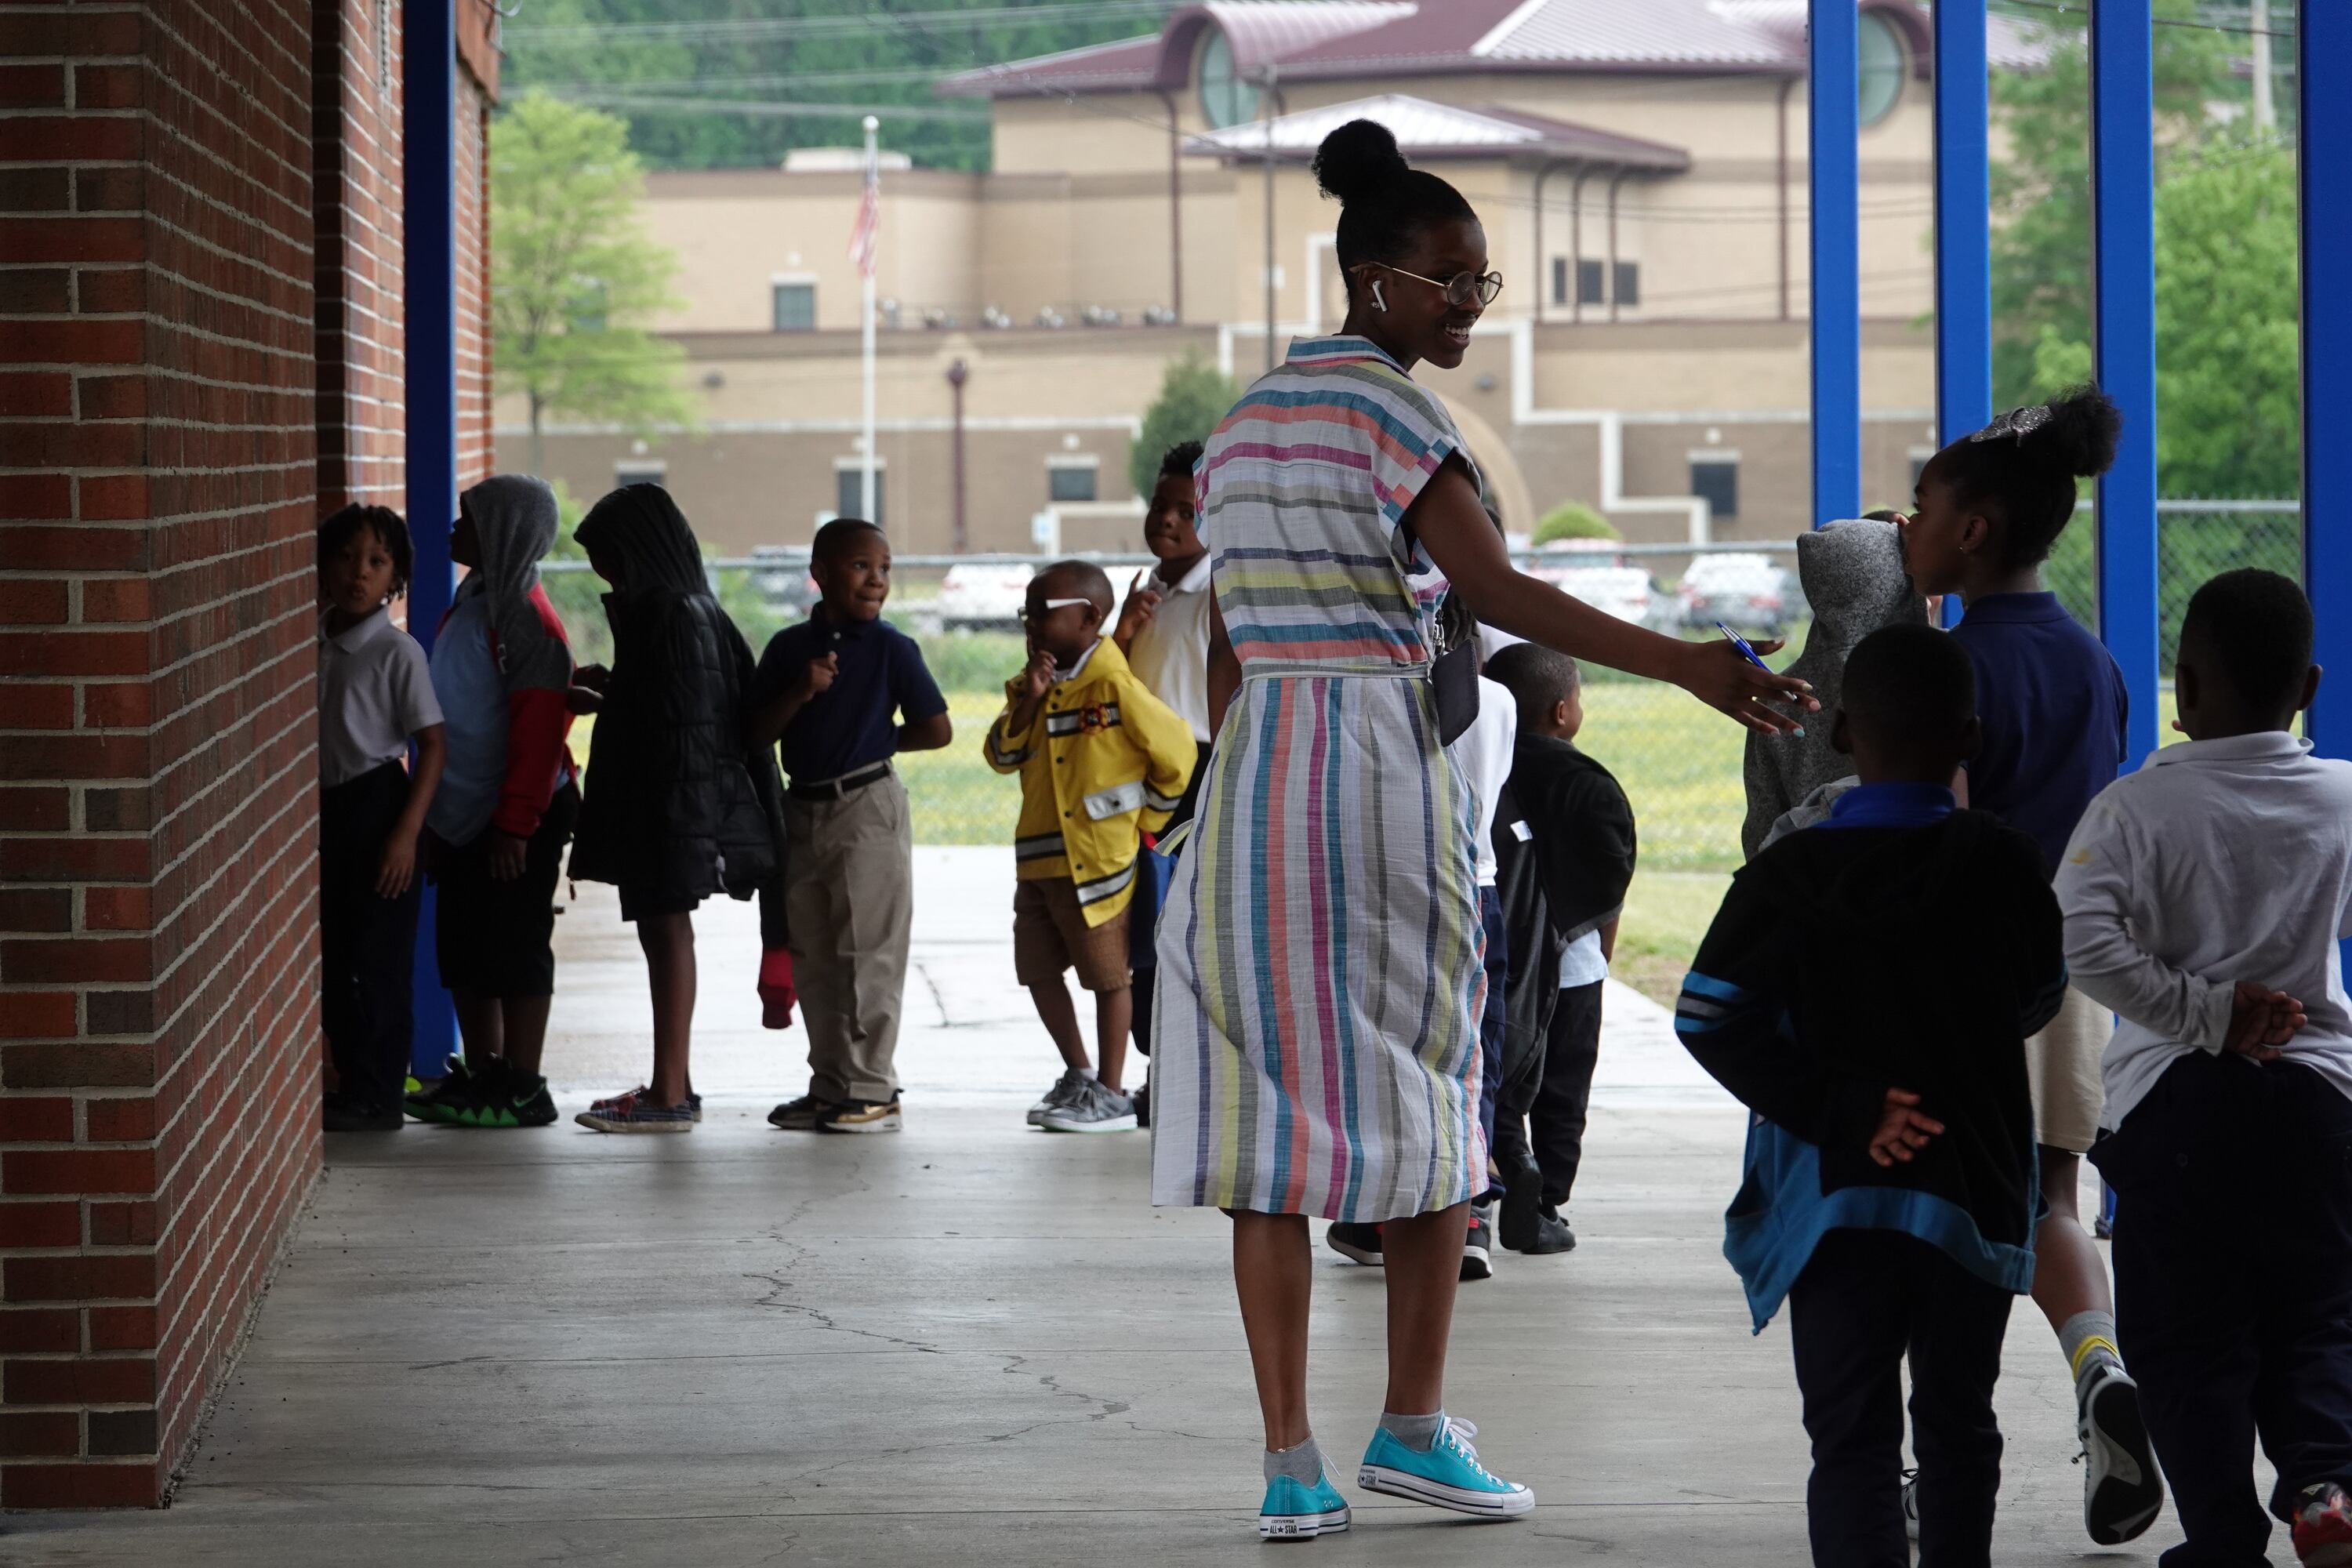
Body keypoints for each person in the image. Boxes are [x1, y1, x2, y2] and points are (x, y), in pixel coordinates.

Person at [1146, 118, 1812, 1541]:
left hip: (1256, 768)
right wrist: (1688, 660)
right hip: (1377, 766)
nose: (1468, 307)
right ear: (1377, 277)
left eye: (1480, 284)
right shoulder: (1397, 414)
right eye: (1451, 282)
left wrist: (1221, 771)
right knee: (1439, 1087)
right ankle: (1413, 1427)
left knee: (1267, 1120)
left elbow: (1231, 639)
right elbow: (1495, 594)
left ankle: (1289, 1465)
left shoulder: (1249, 419)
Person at [1675, 623, 2064, 1568]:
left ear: (1844, 731)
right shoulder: (2007, 865)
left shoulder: (1784, 877)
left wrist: (1847, 1107)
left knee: (1850, 1439)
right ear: (1970, 739)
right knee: (1960, 1426)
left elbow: (1707, 1014)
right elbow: (2037, 997)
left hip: (1832, 1202)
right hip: (1970, 1186)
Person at [1898, 387, 2162, 1544]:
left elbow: (1938, 841)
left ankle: (1940, 1466)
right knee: (2052, 1199)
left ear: (1970, 533)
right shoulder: (2099, 667)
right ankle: (2099, 1366)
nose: (1904, 530)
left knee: (1940, 1220)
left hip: (1962, 985)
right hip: (2067, 982)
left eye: (1919, 510)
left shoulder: (1942, 668)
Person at [2059, 569, 2352, 1568]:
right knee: (2320, 1312)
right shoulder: (2342, 796)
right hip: (2321, 1105)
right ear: (2307, 683)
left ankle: (2224, 1536)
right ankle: (2324, 1483)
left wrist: (2207, 1014)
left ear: (2182, 682)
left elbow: (2083, 941)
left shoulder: (2136, 807)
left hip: (2175, 1114)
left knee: (2189, 1340)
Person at [564, 484, 786, 1134]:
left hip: (670, 808)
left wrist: (676, 829)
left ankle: (667, 1095)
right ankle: (673, 1084)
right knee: (663, 935)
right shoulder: (681, 609)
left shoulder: (672, 613)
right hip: (669, 805)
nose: (601, 570)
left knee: (666, 935)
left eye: (605, 554)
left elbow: (686, 725)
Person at [1324, 616, 1514, 1282]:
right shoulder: (1499, 701)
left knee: (1385, 1044)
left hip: (1388, 886)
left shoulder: (1377, 698)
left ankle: (1380, 1207)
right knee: (1467, 1054)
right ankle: (1465, 1212)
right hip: (1476, 885)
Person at [748, 517, 952, 1135]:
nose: (877, 580)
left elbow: (937, 728)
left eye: (885, 568)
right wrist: (801, 693)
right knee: (815, 954)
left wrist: (874, 738)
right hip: (801, 807)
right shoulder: (789, 649)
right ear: (821, 572)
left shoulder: (892, 649)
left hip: (866, 806)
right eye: (862, 566)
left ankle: (871, 1086)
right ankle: (831, 1084)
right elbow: (753, 734)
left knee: (869, 953)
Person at [987, 561, 1196, 1134]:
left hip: (1100, 865)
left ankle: (1110, 1088)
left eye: (1043, 612)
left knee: (1109, 977)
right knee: (1036, 967)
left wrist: (1142, 821)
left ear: (1091, 618)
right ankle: (1077, 1072)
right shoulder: (1033, 682)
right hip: (1039, 860)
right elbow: (1001, 756)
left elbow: (1178, 755)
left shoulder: (1113, 685)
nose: (1031, 623)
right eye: (1025, 612)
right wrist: (1028, 700)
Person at [404, 475, 579, 1131]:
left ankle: (524, 1086)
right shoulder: (476, 597)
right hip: (464, 813)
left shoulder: (526, 618)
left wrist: (514, 826)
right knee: (467, 949)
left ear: (504, 531)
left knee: (517, 947)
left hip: (515, 815)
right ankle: (484, 1076)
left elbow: (538, 735)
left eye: (468, 521)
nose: (454, 530)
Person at [1483, 643, 1636, 1256]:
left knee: (1493, 1069)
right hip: (1572, 959)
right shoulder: (1587, 784)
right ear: (1564, 711)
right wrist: (1597, 951)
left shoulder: (1477, 766)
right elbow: (1610, 882)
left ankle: (1500, 1171)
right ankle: (1545, 1201)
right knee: (1564, 1083)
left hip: (1487, 953)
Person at [315, 504, 445, 1132]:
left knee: (382, 962)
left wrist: (405, 834)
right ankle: (353, 1084)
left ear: (395, 575)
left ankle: (382, 1095)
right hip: (325, 810)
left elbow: (434, 743)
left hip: (380, 808)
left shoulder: (398, 652)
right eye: (345, 558)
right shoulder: (314, 642)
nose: (357, 575)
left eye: (375, 562)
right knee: (333, 957)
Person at [1110, 440, 1215, 1127]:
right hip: (1138, 778)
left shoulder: (1220, 592)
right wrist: (1123, 630)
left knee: (1187, 926)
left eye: (1188, 510)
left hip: (1198, 773)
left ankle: (1187, 1075)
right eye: (1160, 506)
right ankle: (1159, 1068)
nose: (1168, 521)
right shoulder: (1147, 591)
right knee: (1146, 928)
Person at [1741, 518, 1925, 860]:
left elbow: (1760, 833)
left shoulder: (1781, 698)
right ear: (1899, 582)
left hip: (1810, 888)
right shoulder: (1928, 676)